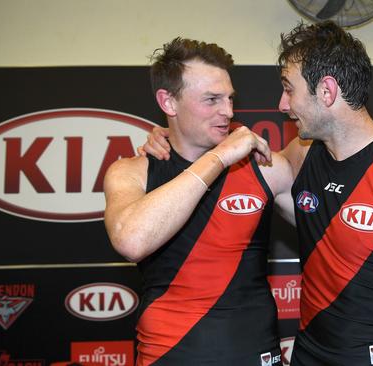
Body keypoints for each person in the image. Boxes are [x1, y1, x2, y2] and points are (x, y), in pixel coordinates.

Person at [143, 21, 373, 366]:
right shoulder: (302, 153)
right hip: (308, 358)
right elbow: (233, 170)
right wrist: (170, 134)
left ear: (326, 91)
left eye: (289, 89)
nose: (282, 104)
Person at [103, 38, 292, 365]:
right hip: (169, 355)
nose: (228, 111)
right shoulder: (132, 172)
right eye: (211, 99)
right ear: (168, 102)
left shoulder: (264, 167)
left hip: (256, 356)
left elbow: (339, 185)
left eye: (230, 98)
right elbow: (131, 240)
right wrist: (221, 156)